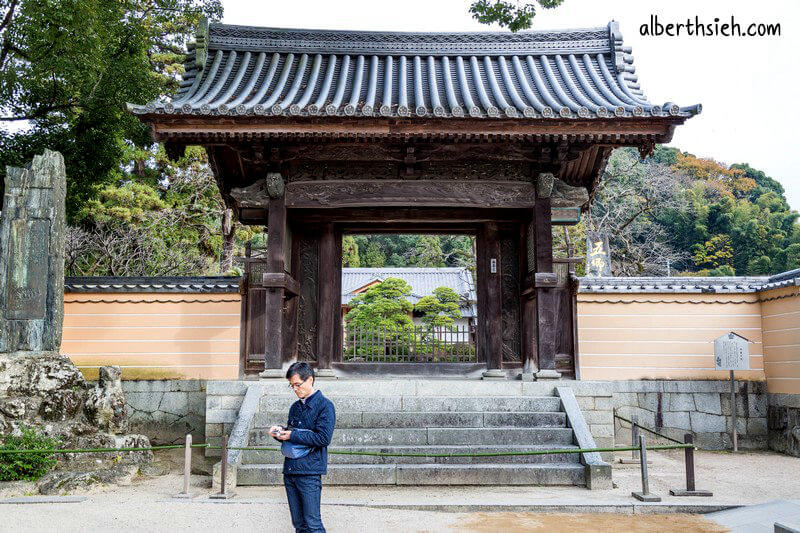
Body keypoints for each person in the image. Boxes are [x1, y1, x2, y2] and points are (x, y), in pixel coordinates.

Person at [271, 362, 336, 533]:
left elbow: (323, 438)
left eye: (297, 385)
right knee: (299, 525)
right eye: (291, 386)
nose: (295, 389)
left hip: (309, 471)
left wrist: (292, 434)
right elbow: (292, 437)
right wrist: (280, 434)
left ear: (310, 380)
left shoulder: (325, 406)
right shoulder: (295, 407)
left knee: (313, 524)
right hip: (290, 470)